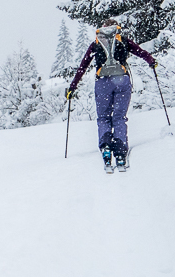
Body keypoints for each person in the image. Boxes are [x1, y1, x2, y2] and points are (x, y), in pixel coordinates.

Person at [65, 23, 156, 171]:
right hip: (122, 80)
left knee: (103, 117)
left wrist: (73, 86)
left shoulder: (96, 44)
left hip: (102, 83)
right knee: (119, 117)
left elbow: (83, 65)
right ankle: (120, 151)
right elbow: (140, 52)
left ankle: (106, 147)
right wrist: (151, 61)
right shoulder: (123, 40)